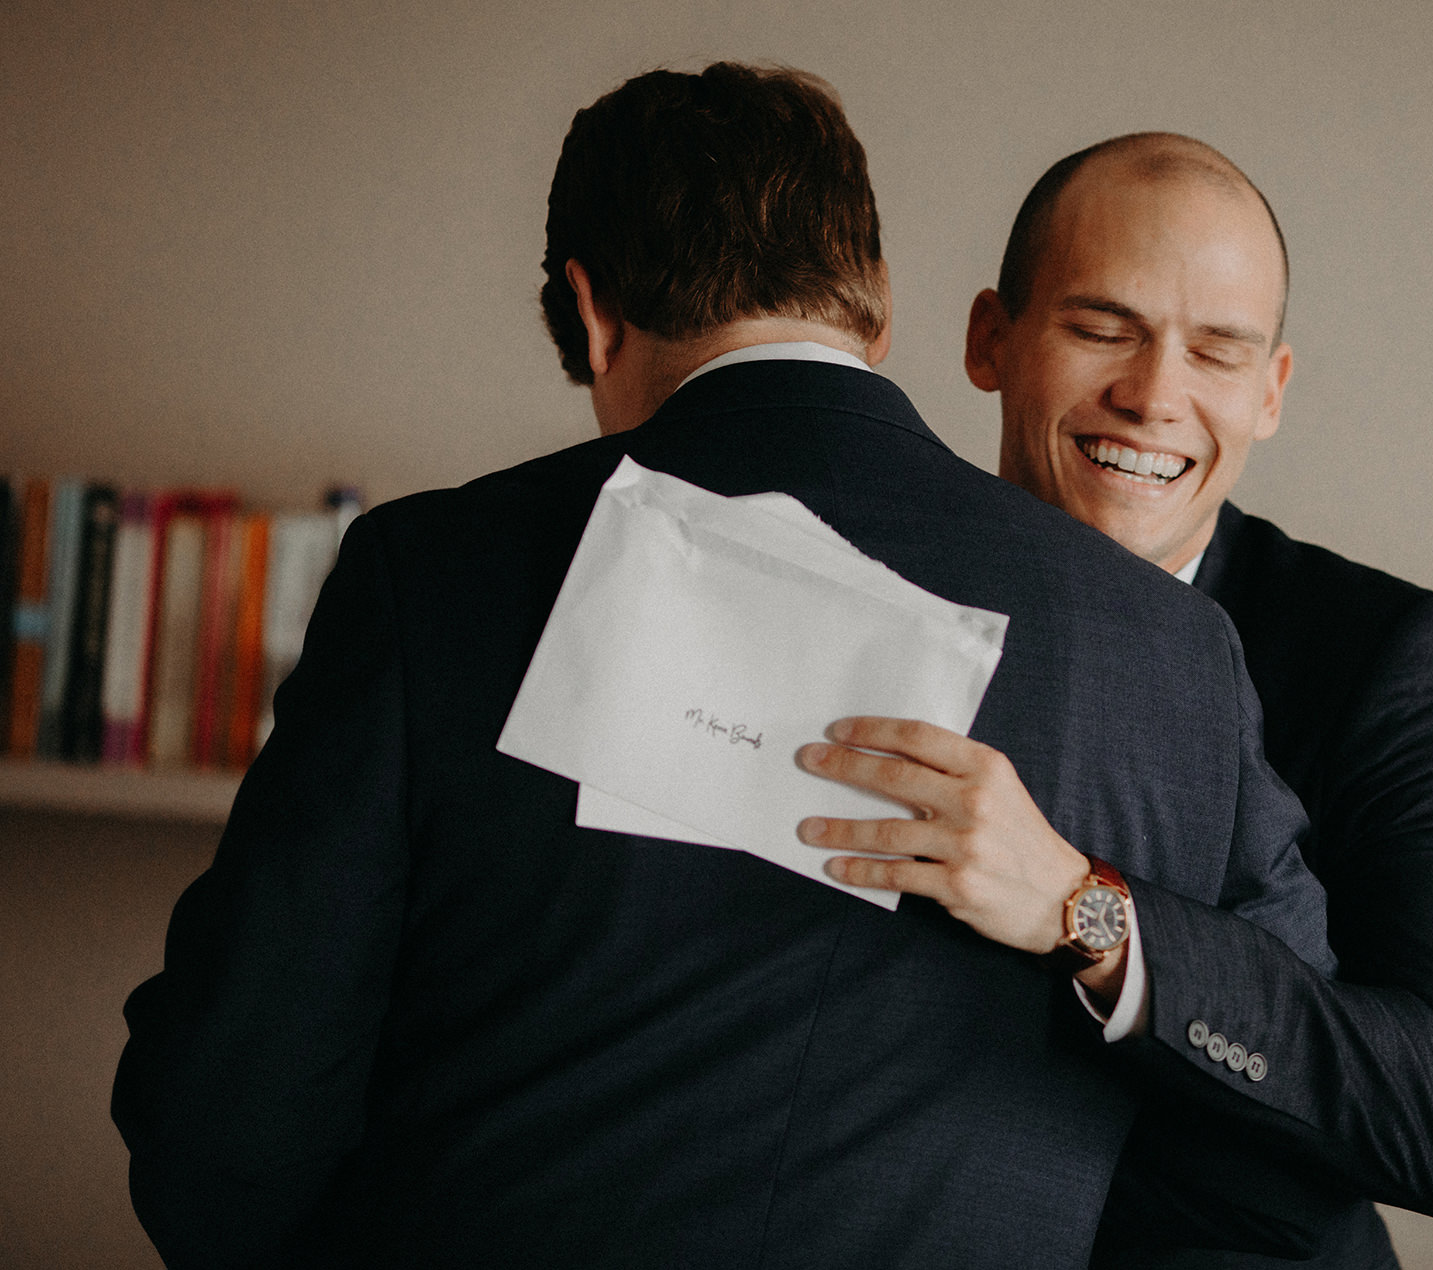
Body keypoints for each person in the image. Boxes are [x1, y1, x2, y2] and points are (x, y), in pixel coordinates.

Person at [111, 67, 1337, 1268]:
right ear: (880, 308)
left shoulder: (434, 572)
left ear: (592, 314)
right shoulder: (1171, 650)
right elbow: (1298, 1091)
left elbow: (233, 1101)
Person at [819, 134, 1433, 1267]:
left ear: (1272, 391)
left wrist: (1088, 913)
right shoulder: (858, 589)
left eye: (1218, 354)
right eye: (1102, 330)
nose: (1152, 398)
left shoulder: (1384, 652)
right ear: (990, 339)